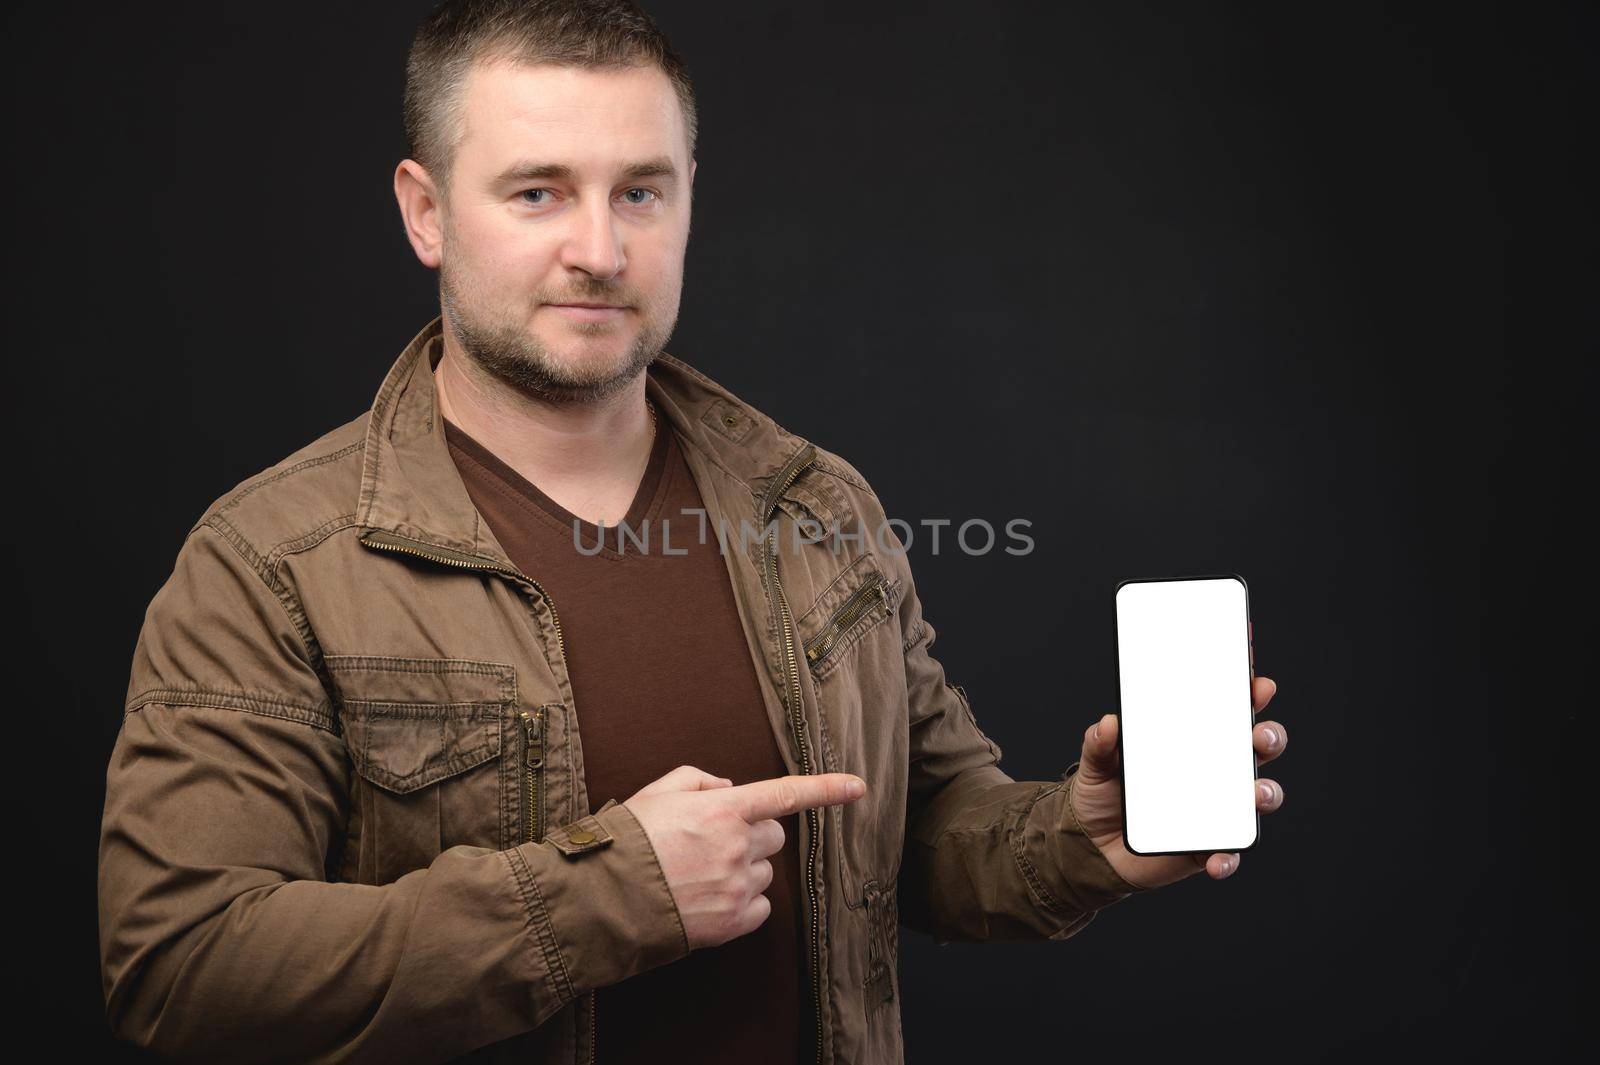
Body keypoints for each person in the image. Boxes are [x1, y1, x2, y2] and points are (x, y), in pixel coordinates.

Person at [97, 2, 1289, 1063]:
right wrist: (609, 893)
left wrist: (1075, 842)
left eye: (640, 191)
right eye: (536, 191)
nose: (599, 250)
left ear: (688, 197)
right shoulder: (273, 563)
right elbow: (184, 968)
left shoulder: (817, 507)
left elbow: (913, 834)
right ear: (425, 213)